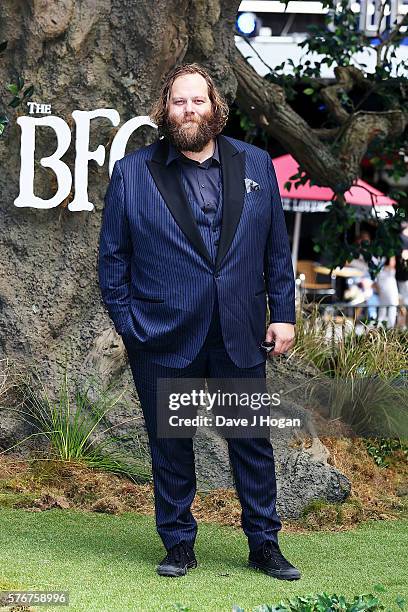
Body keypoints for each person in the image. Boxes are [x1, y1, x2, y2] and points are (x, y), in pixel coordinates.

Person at [98, 63, 300, 581]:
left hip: (239, 330)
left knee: (251, 444)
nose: (188, 110)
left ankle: (264, 544)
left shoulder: (255, 164)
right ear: (164, 110)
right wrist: (130, 325)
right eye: (178, 102)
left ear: (216, 107)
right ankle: (179, 543)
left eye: (198, 101)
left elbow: (277, 247)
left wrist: (284, 315)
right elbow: (113, 260)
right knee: (170, 445)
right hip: (162, 334)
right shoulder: (134, 172)